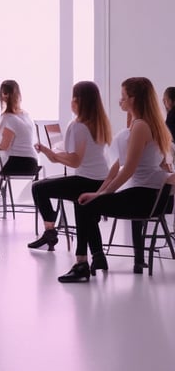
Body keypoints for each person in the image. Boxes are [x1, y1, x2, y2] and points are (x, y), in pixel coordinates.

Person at [58, 77, 174, 282]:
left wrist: (102, 194)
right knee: (86, 201)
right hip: (144, 193)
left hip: (142, 197)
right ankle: (90, 259)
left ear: (134, 99)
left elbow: (127, 169)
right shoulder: (143, 124)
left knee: (85, 205)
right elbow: (117, 166)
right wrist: (99, 192)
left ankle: (83, 263)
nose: (120, 101)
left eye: (123, 97)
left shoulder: (141, 127)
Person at [28, 81, 112, 250]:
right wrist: (50, 153)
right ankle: (97, 256)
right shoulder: (99, 123)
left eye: (73, 98)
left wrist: (54, 155)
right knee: (83, 213)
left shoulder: (78, 126)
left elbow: (75, 161)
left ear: (78, 101)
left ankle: (50, 231)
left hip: (86, 181)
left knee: (38, 188)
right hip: (101, 180)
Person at [0, 80, 39, 176]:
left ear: (2, 96)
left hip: (18, 163)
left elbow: (5, 146)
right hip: (33, 162)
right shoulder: (26, 115)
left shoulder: (8, 118)